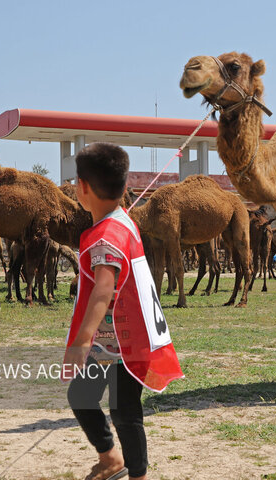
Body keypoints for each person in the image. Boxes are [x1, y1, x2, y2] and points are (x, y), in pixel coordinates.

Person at [63, 142, 183, 480]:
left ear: (83, 187)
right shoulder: (120, 221)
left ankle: (134, 472)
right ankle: (112, 458)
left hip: (117, 345)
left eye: (76, 181)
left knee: (123, 411)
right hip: (121, 341)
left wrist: (83, 339)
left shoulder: (107, 236)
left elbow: (104, 287)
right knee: (89, 397)